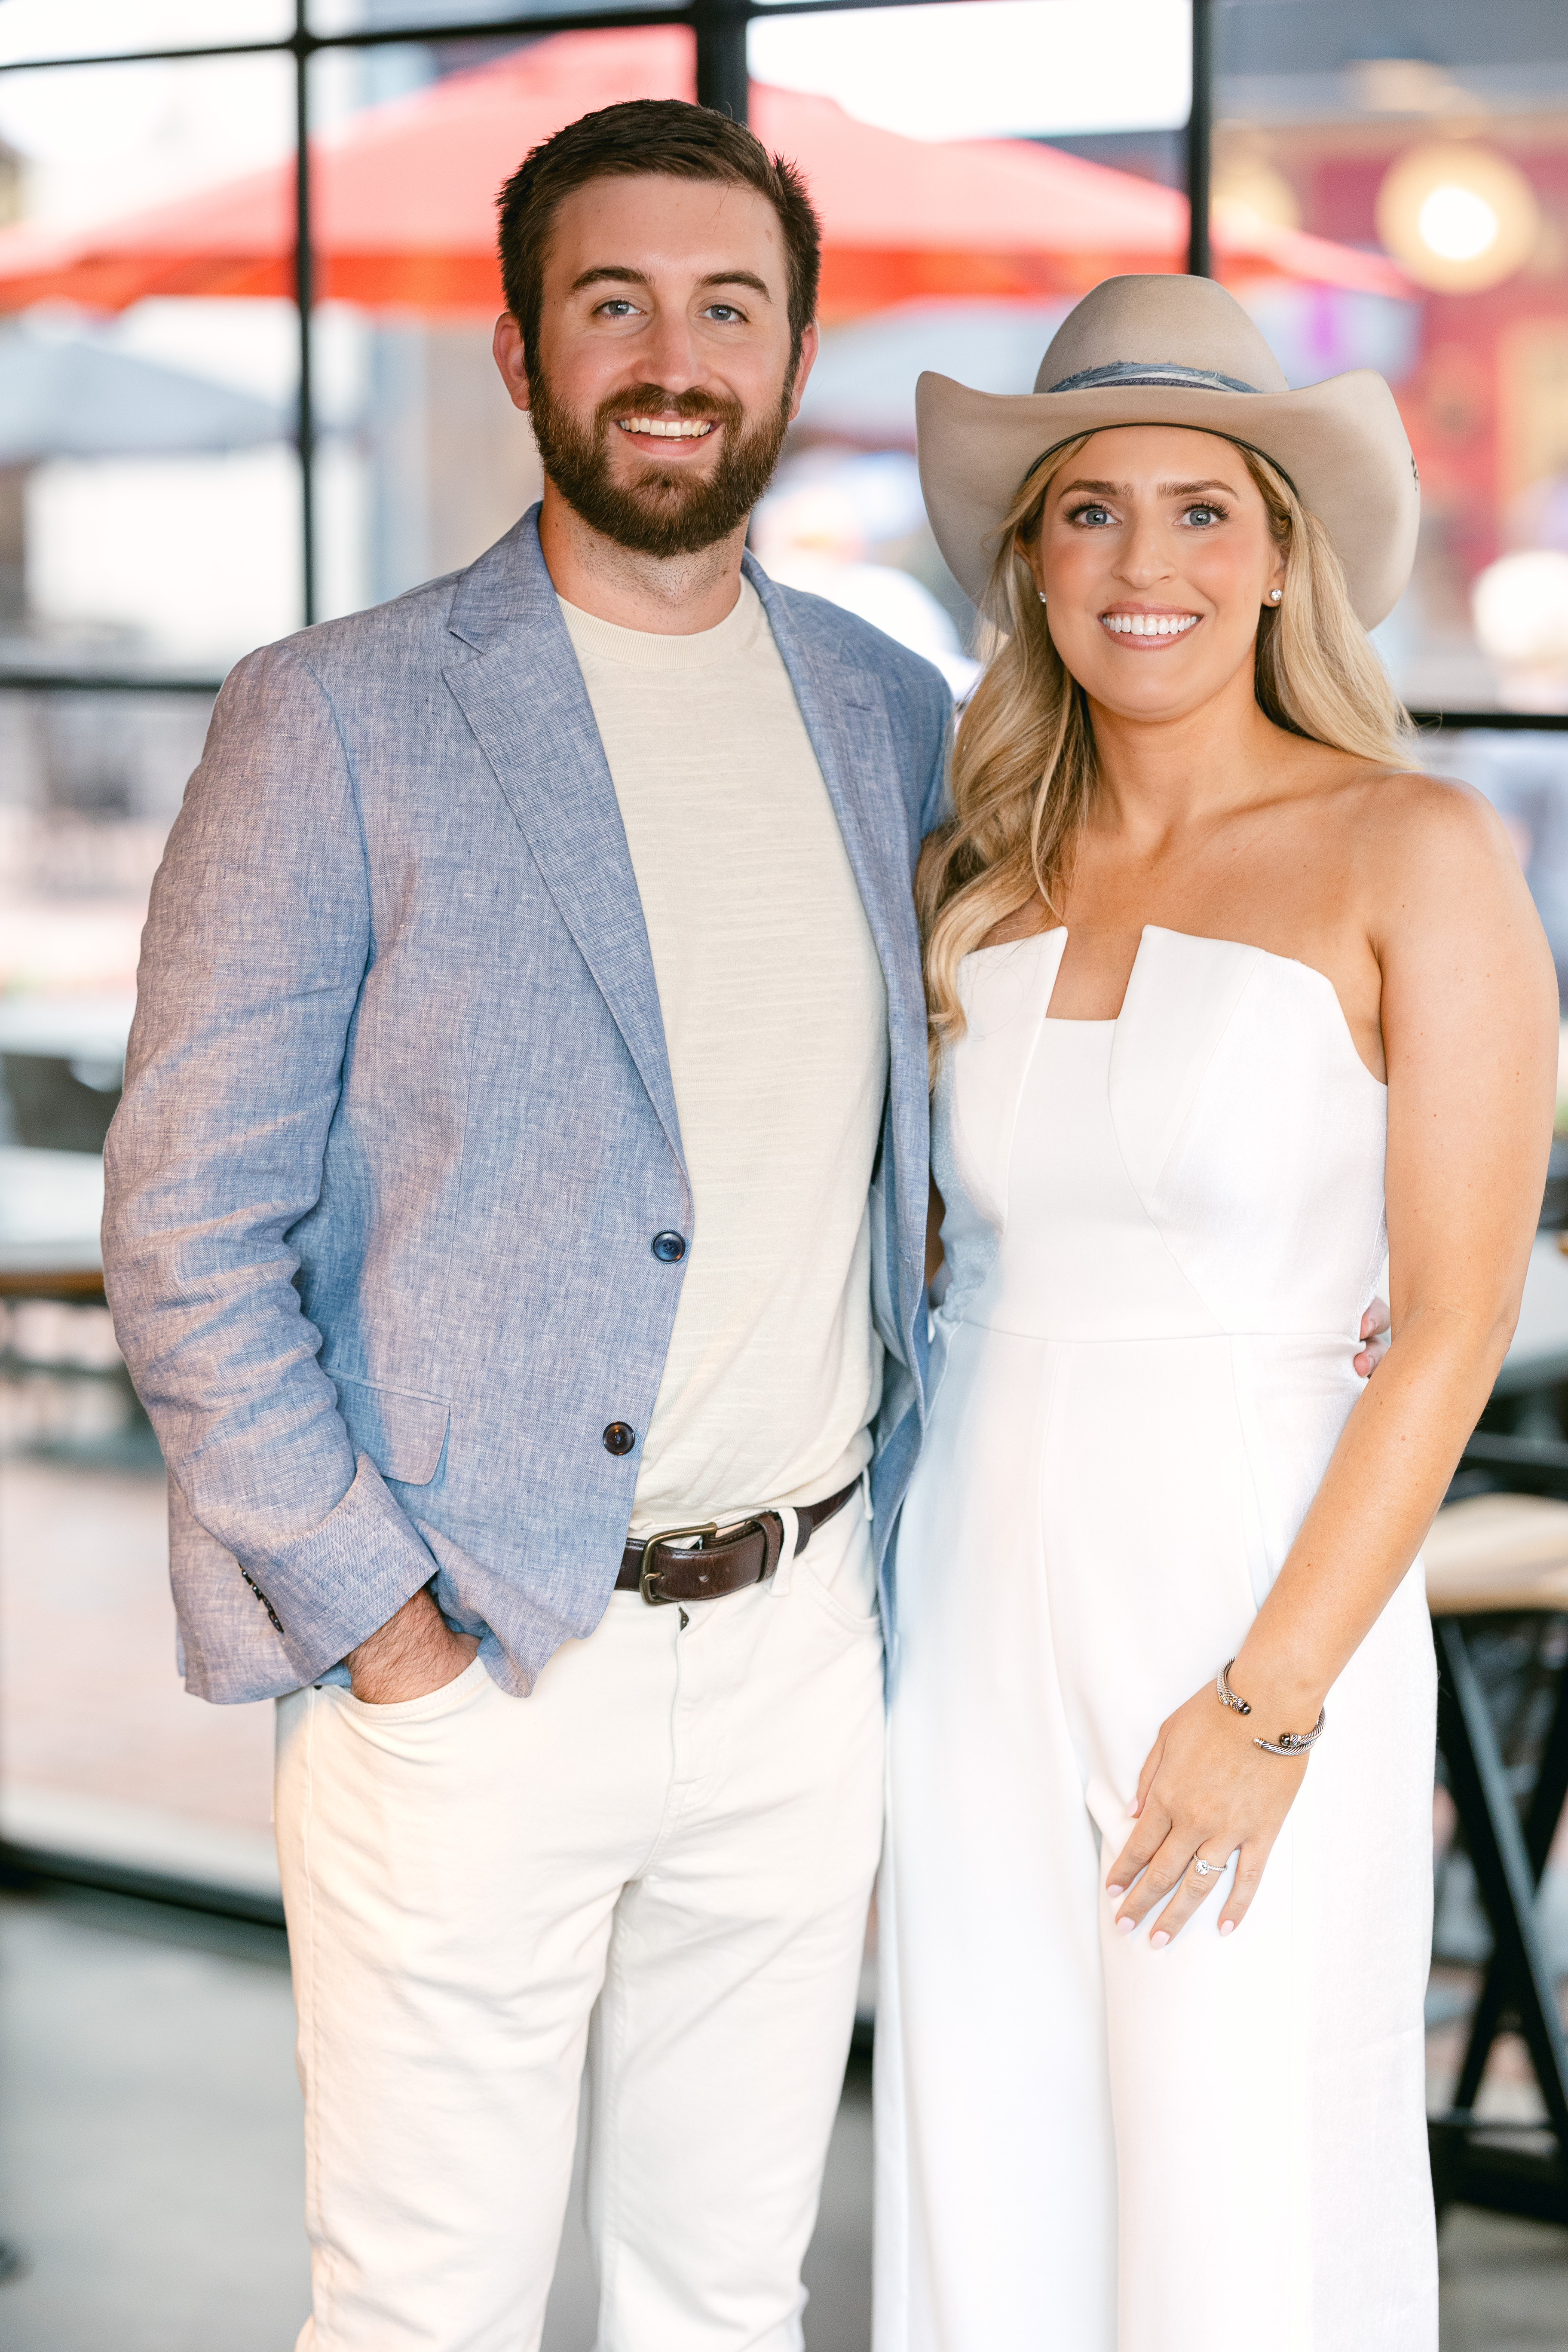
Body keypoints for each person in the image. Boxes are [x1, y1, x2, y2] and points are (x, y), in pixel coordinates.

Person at [102, 101, 949, 2351]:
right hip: (472, 1649)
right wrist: (379, 1617)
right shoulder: (337, 718)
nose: (674, 355)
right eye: (615, 304)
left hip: (797, 1649)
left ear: (790, 351)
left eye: (726, 307)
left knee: (724, 2295)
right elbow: (187, 1222)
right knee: (422, 2313)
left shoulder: (895, 718)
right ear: (517, 351)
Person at [874, 273, 1557, 2351]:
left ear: (1279, 560)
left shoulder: (1416, 849)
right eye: (1088, 512)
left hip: (1259, 1607)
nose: (1141, 561)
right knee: (984, 2196)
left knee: (1246, 2223)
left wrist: (1267, 1710)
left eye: (1199, 511)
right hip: (967, 1606)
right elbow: (917, 1265)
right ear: (1032, 565)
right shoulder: (969, 867)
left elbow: (1452, 1319)